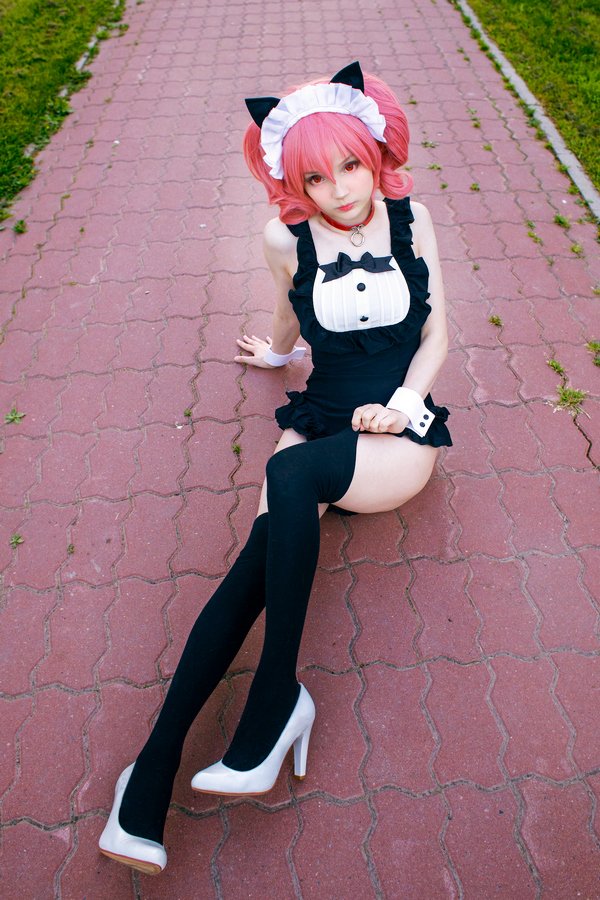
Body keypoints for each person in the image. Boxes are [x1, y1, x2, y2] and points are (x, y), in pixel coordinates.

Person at [98, 60, 451, 875]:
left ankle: (278, 697)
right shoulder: (282, 238)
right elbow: (291, 305)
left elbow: (437, 334)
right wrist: (279, 355)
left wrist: (403, 402)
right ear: (292, 181)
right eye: (315, 177)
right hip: (322, 419)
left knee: (289, 479)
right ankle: (148, 777)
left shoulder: (414, 220)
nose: (339, 190)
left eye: (351, 166)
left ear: (376, 153)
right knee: (249, 570)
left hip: (396, 439)